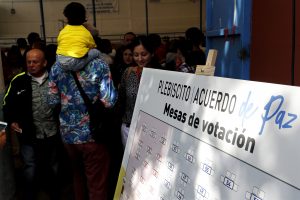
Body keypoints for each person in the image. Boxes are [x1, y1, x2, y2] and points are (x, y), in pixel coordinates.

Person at [48, 49, 117, 199]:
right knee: (97, 182)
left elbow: (52, 100)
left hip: (68, 135)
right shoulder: (99, 65)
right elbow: (109, 101)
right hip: (92, 135)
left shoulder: (56, 66)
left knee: (77, 177)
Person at [2, 48, 61, 200]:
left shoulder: (55, 79)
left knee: (52, 163)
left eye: (35, 62)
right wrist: (12, 119)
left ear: (44, 63)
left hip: (52, 130)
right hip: (28, 132)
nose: (31, 65)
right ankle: (30, 194)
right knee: (30, 164)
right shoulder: (18, 80)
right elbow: (6, 103)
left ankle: (54, 191)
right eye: (28, 62)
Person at [118, 35, 161, 148]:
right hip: (129, 127)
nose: (140, 59)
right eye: (136, 55)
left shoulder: (161, 75)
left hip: (153, 130)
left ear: (152, 53)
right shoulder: (128, 73)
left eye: (144, 54)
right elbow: (121, 99)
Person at [56, 2, 100, 71]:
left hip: (61, 62)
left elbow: (59, 43)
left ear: (67, 17)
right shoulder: (86, 32)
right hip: (76, 63)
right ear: (83, 17)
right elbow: (92, 46)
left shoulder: (62, 31)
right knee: (96, 51)